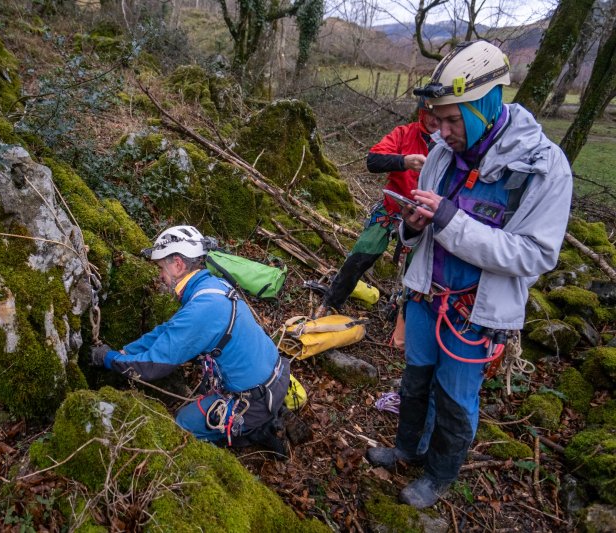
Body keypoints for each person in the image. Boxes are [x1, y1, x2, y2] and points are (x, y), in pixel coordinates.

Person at [365, 40, 573, 508]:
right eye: (436, 119)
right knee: (416, 379)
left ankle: (437, 477)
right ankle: (408, 447)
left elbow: (536, 254)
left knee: (456, 397)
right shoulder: (441, 153)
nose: (440, 131)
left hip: (472, 314)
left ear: (486, 105)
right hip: (425, 296)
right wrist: (412, 226)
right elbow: (423, 226)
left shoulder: (541, 167)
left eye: (452, 119)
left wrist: (449, 221)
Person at [89, 225, 292, 456]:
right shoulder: (212, 286)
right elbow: (168, 331)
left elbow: (152, 366)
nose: (160, 276)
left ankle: (258, 431)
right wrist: (127, 351)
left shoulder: (201, 310)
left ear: (178, 264)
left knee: (183, 424)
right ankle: (268, 416)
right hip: (274, 375)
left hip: (254, 400)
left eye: (160, 268)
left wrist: (108, 358)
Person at [313, 100, 440, 318]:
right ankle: (331, 302)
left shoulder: (451, 146)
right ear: (421, 112)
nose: (435, 119)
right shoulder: (404, 133)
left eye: (440, 114)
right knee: (360, 255)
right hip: (391, 209)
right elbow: (373, 160)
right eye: (430, 113)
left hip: (425, 220)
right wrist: (404, 161)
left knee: (416, 272)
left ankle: (402, 316)